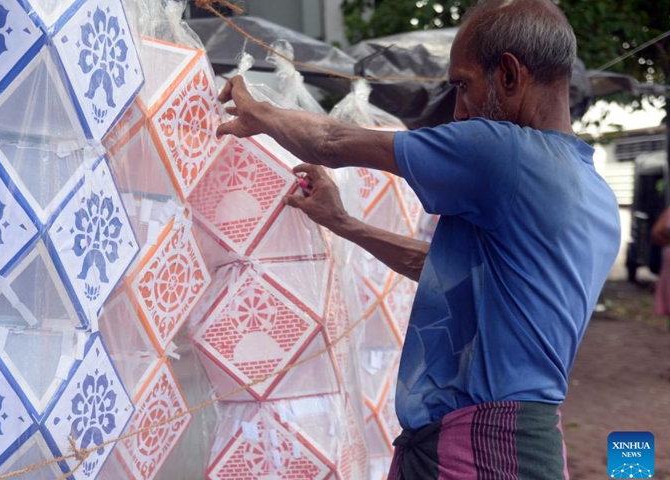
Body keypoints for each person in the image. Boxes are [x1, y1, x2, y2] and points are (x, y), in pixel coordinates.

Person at [215, 0, 621, 477]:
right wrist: (345, 224)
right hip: (523, 445)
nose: (457, 110)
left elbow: (331, 141)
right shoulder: (594, 192)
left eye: (462, 86)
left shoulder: (505, 153)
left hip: (475, 451)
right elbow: (446, 271)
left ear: (509, 75)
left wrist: (256, 109)